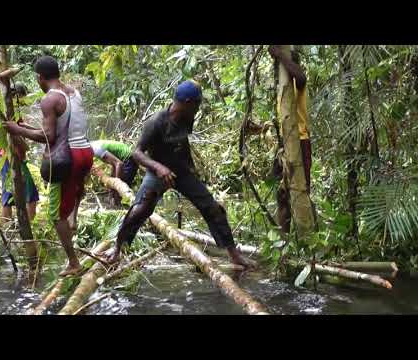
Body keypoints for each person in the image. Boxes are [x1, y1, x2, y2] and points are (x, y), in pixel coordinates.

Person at [102, 80, 255, 268]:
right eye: (198, 103)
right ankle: (118, 248)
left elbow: (183, 142)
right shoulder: (156, 122)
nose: (199, 108)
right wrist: (159, 168)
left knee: (212, 207)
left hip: (181, 171)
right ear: (188, 102)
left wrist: (191, 168)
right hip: (157, 172)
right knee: (140, 210)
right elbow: (137, 152)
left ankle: (233, 254)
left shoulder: (188, 117)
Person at [3, 56, 93, 277]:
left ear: (39, 77)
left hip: (67, 158)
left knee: (55, 214)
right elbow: (63, 128)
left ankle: (74, 263)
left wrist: (17, 130)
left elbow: (49, 136)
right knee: (69, 198)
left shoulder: (49, 100)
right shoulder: (73, 93)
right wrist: (27, 127)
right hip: (85, 152)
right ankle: (73, 219)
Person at [268, 45, 312, 233]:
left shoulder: (297, 81)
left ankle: (306, 236)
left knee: (301, 191)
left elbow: (301, 77)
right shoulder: (283, 90)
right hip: (284, 143)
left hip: (300, 141)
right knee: (281, 193)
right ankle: (284, 238)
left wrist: (281, 55)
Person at [0, 82, 39, 223]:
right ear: (15, 96)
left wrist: (38, 132)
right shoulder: (9, 112)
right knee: (31, 196)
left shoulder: (13, 112)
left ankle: (9, 229)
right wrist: (26, 146)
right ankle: (29, 230)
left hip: (8, 157)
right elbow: (14, 134)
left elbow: (21, 127)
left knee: (8, 195)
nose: (24, 101)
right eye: (22, 97)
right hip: (13, 157)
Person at [90, 139, 139, 205]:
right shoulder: (93, 145)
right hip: (127, 159)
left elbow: (119, 164)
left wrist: (116, 186)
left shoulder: (95, 149)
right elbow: (114, 164)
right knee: (117, 192)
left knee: (122, 190)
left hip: (129, 160)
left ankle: (131, 206)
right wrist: (111, 190)